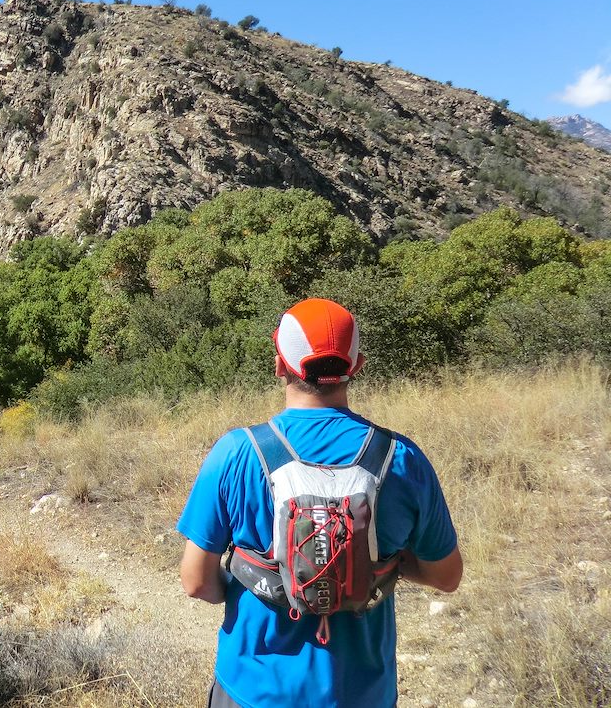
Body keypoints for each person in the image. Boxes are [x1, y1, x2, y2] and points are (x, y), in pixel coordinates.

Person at [177, 298, 463, 708]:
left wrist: (259, 583)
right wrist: (375, 564)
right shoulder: (401, 459)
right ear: (358, 365)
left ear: (280, 363)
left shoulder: (236, 453)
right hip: (362, 695)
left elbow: (196, 582)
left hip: (252, 690)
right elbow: (446, 577)